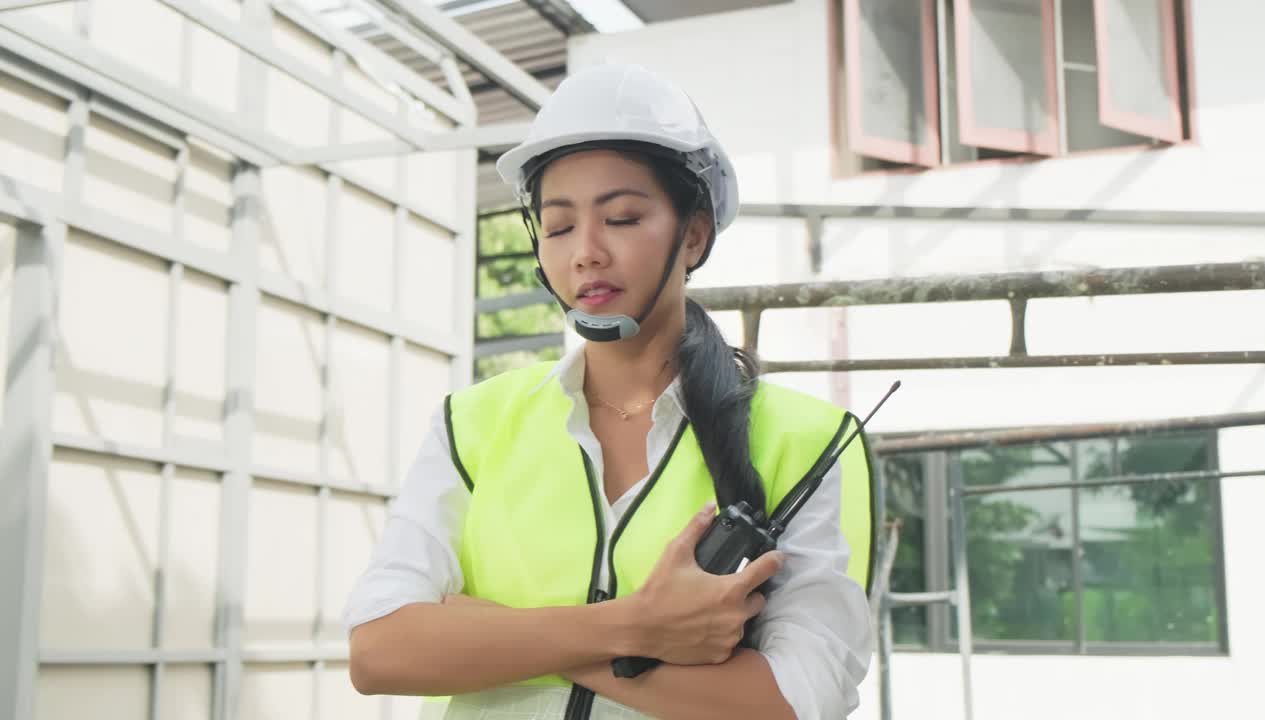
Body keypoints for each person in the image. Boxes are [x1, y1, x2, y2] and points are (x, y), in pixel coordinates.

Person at [343, 63, 874, 720]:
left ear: (695, 234)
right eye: (559, 227)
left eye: (621, 217)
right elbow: (379, 652)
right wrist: (636, 629)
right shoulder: (471, 423)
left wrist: (484, 632)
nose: (585, 252)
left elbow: (791, 702)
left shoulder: (810, 443)